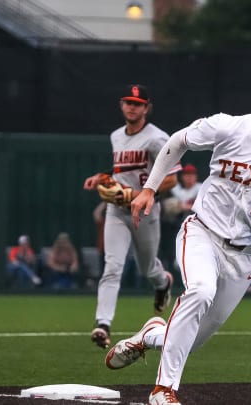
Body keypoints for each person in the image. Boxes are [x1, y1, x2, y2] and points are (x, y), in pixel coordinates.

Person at [105, 58, 251, 405]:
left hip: (246, 256)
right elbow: (177, 141)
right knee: (199, 291)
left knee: (190, 339)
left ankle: (151, 334)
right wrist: (149, 188)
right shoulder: (229, 127)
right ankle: (163, 390)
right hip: (202, 231)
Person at [83, 84, 180, 350]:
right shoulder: (116, 136)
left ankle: (163, 283)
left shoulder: (158, 138)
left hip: (146, 211)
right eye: (128, 102)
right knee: (112, 266)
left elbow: (171, 180)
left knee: (148, 268)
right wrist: (102, 178)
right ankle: (103, 324)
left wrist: (141, 193)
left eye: (137, 103)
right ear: (121, 105)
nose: (132, 107)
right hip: (118, 211)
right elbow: (121, 175)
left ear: (147, 108)